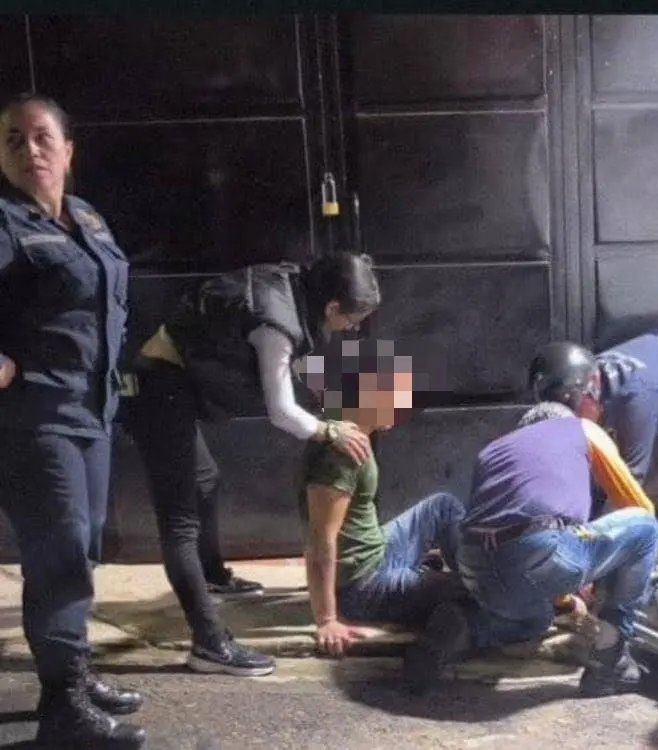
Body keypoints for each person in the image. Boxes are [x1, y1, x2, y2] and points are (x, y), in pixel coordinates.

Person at [126, 251, 380, 678]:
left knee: (206, 481)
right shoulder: (276, 324)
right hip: (159, 387)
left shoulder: (294, 289)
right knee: (180, 522)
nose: (352, 327)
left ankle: (212, 576)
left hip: (171, 381)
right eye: (353, 319)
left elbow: (294, 366)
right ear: (333, 307)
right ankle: (209, 643)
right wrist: (328, 431)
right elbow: (281, 410)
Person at [0, 93, 146, 748]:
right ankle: (63, 709)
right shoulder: (4, 223)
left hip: (92, 413)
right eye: (12, 140)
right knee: (59, 552)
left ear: (68, 150)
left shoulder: (87, 217)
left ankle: (72, 676)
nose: (29, 150)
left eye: (41, 138)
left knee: (82, 549)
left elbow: (110, 301)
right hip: (35, 419)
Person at [406, 401, 658, 697]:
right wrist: (614, 571)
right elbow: (638, 506)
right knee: (645, 528)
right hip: (538, 550)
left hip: (474, 562)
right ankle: (610, 660)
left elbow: (492, 524)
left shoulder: (492, 450)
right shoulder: (581, 428)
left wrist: (564, 596)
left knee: (536, 619)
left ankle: (464, 625)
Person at [298, 347, 472, 661]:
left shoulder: (349, 429)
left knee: (442, 507)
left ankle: (474, 573)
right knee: (470, 592)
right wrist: (327, 619)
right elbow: (320, 539)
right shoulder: (340, 455)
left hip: (377, 552)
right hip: (363, 587)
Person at [527, 325, 658, 491]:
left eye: (573, 411)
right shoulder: (586, 371)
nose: (568, 420)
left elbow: (628, 485)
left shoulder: (633, 400)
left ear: (594, 385)